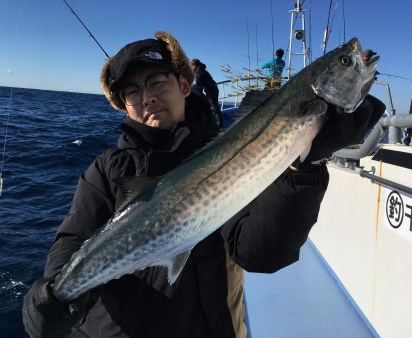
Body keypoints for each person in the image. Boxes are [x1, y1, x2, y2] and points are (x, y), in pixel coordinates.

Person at [22, 31, 386, 338]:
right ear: (123, 105)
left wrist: (304, 167)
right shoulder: (105, 170)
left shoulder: (231, 149)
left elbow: (261, 252)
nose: (146, 96)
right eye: (131, 91)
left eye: (156, 81)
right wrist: (52, 294)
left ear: (184, 84)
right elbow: (72, 238)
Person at [191, 58, 223, 129]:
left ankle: (219, 125)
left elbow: (198, 84)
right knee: (214, 106)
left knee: (214, 107)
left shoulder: (199, 72)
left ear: (194, 65)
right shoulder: (201, 70)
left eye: (191, 66)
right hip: (212, 88)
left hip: (211, 90)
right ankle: (218, 123)